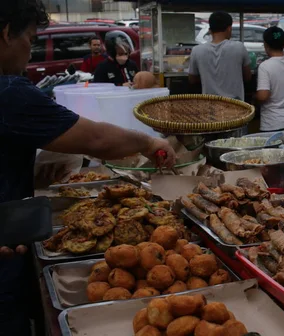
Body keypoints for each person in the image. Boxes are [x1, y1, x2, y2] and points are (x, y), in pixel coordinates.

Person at [0, 1, 176, 334]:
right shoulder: (9, 91)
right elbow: (96, 139)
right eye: (31, 39)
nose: (30, 52)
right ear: (8, 33)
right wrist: (150, 143)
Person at [188, 11, 252, 100]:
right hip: (236, 106)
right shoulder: (239, 47)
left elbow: (192, 79)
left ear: (210, 30)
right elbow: (248, 77)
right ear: (229, 28)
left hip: (210, 105)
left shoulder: (197, 50)